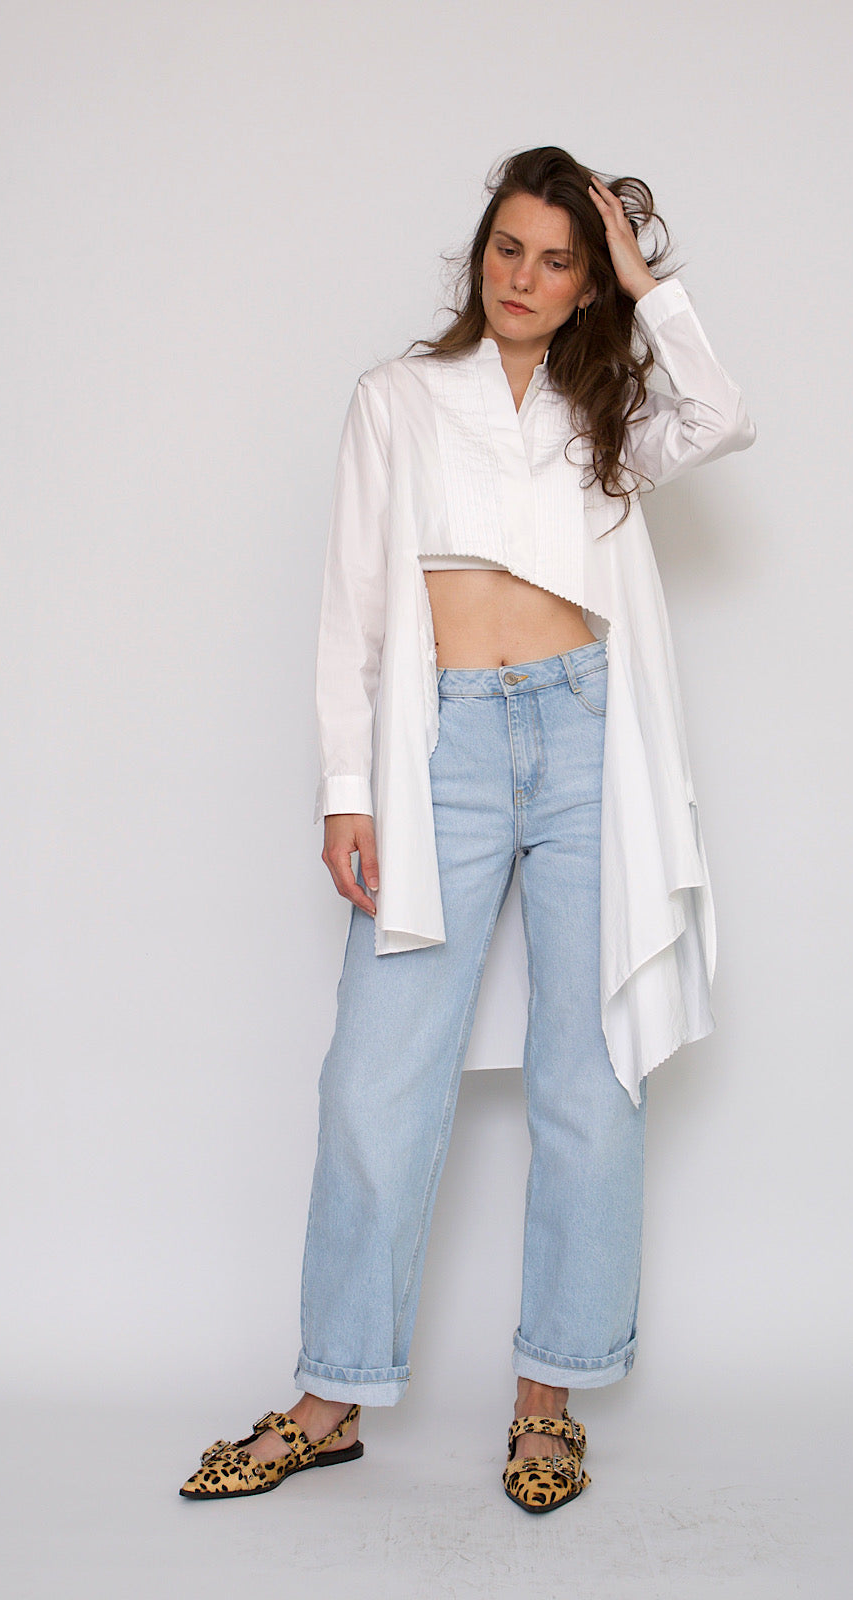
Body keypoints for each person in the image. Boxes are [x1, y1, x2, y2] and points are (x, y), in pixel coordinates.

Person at [179, 145, 755, 1513]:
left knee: (588, 1070)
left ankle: (550, 1399)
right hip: (443, 747)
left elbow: (724, 415)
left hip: (588, 735)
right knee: (375, 1075)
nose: (525, 279)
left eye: (559, 261)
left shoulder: (603, 408)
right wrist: (348, 787)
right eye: (510, 249)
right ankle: (331, 1396)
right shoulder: (398, 398)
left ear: (585, 282)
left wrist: (646, 284)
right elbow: (354, 606)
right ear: (479, 250)